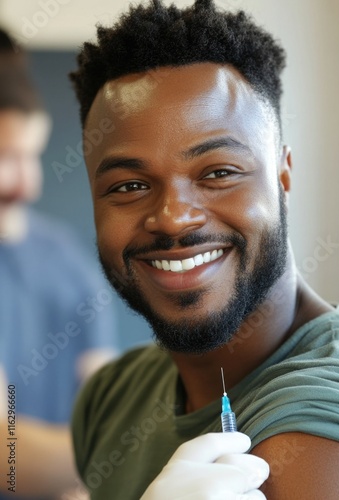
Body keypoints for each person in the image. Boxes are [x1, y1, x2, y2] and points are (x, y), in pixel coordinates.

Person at [69, 0, 339, 498]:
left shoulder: (323, 427)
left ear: (283, 176)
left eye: (217, 173)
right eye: (128, 186)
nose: (172, 216)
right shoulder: (110, 398)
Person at [0, 28, 119, 499]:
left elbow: (109, 412)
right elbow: (7, 460)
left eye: (32, 156)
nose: (29, 184)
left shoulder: (68, 261)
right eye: (6, 158)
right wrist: (136, 456)